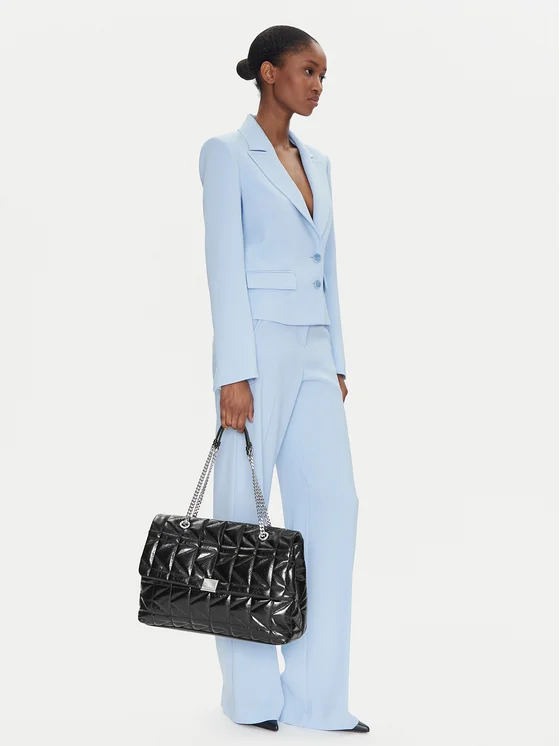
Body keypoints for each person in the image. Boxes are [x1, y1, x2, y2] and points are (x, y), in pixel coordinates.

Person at [198, 25, 368, 734]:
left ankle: (317, 699)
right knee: (242, 517)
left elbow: (328, 263)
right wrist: (233, 372)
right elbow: (223, 265)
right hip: (258, 349)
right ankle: (251, 698)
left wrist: (336, 359)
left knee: (334, 507)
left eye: (324, 75)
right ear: (269, 73)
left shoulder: (318, 162)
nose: (318, 85)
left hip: (315, 352)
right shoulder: (225, 154)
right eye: (308, 70)